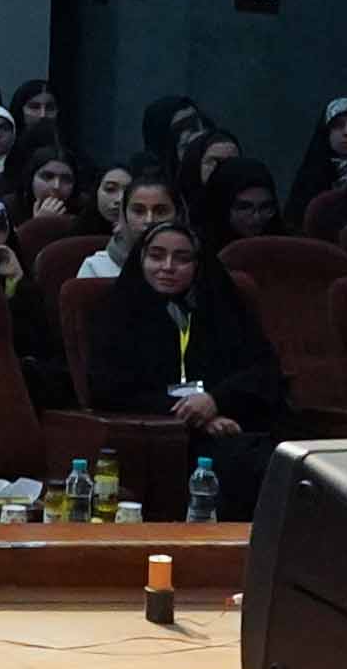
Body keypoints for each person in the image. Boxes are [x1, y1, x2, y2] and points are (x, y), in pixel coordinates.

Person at [73, 218, 292, 516]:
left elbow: (264, 372)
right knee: (241, 465)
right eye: (156, 256)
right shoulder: (119, 312)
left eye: (181, 258)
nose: (167, 266)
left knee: (291, 461)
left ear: (198, 265)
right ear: (141, 260)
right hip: (165, 435)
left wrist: (215, 401)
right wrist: (192, 413)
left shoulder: (223, 307)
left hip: (237, 424)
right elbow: (109, 389)